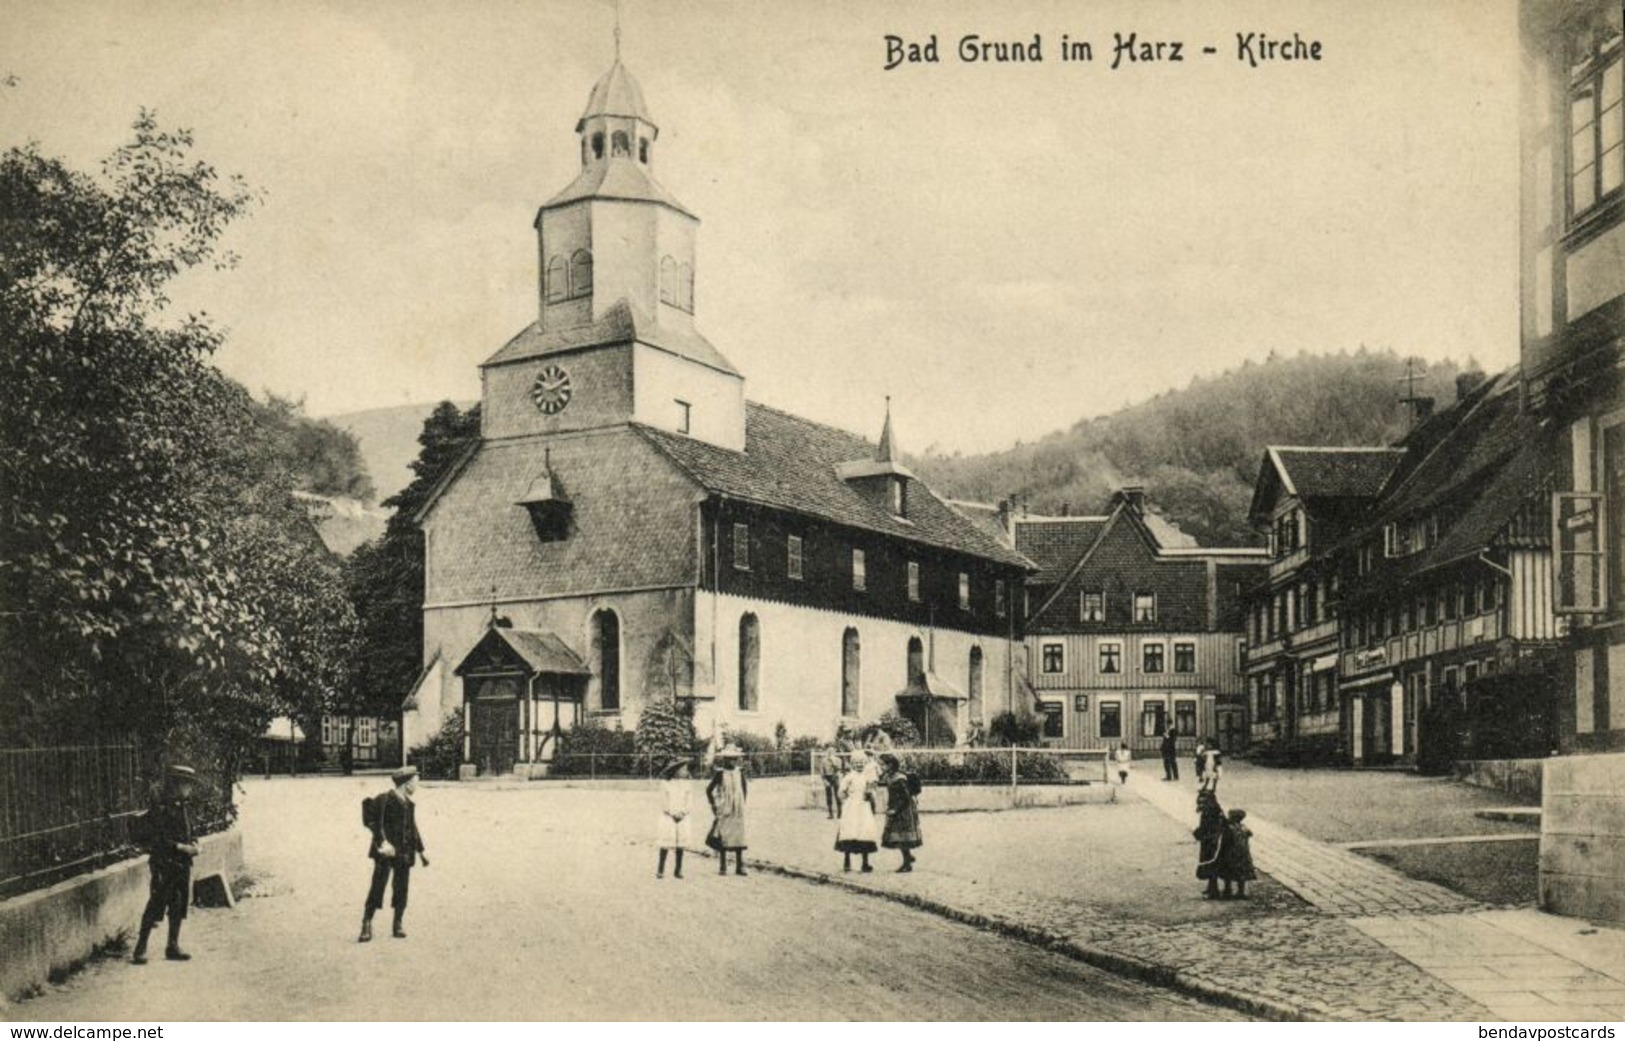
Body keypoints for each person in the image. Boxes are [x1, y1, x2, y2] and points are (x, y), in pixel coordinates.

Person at [132, 764, 201, 965]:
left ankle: (173, 945)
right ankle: (140, 947)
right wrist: (182, 847)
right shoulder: (161, 807)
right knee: (156, 902)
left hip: (182, 862)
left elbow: (190, 830)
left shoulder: (184, 805)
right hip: (164, 862)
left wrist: (195, 842)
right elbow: (158, 839)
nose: (189, 788)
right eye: (186, 784)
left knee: (178, 903)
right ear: (176, 784)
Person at [359, 765, 428, 942]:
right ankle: (366, 922)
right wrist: (382, 842)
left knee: (401, 888)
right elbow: (370, 818)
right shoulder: (384, 800)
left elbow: (413, 828)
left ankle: (398, 923)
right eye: (415, 783)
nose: (416, 787)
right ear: (406, 784)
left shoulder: (408, 804)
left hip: (404, 852)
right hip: (386, 853)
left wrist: (421, 850)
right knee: (378, 886)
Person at [705, 745, 749, 876]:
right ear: (724, 760)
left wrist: (741, 803)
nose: (732, 761)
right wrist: (714, 805)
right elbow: (708, 790)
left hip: (738, 809)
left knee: (739, 836)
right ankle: (723, 866)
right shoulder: (720, 774)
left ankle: (739, 866)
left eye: (734, 759)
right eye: (729, 759)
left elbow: (744, 789)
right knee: (724, 836)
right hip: (725, 809)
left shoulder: (740, 772)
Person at [834, 749, 878, 872]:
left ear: (865, 764)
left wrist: (870, 795)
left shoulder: (867, 777)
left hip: (864, 807)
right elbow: (841, 792)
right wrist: (847, 800)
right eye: (857, 763)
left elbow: (872, 792)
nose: (859, 765)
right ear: (852, 764)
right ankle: (847, 862)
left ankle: (865, 863)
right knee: (849, 831)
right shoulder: (849, 777)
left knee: (865, 832)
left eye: (862, 763)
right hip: (852, 807)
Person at [878, 752, 922, 872]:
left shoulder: (899, 779)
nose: (881, 767)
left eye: (883, 765)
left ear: (890, 765)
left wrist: (895, 810)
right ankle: (908, 857)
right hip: (897, 808)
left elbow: (906, 797)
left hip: (903, 810)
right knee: (900, 836)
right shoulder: (889, 777)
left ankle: (907, 863)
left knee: (902, 837)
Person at [655, 759, 692, 879]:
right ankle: (661, 869)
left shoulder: (687, 785)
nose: (686, 771)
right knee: (666, 842)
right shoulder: (665, 784)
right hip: (669, 817)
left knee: (680, 843)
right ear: (676, 771)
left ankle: (678, 869)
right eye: (683, 769)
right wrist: (672, 813)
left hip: (682, 817)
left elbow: (689, 802)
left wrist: (683, 812)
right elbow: (663, 802)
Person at [1193, 790, 1227, 900]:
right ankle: (1211, 887)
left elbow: (1211, 828)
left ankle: (1214, 891)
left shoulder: (1210, 812)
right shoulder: (1213, 810)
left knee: (1211, 864)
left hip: (1211, 841)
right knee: (1208, 863)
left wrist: (1199, 833)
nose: (1200, 805)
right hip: (1208, 840)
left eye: (1202, 802)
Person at [1220, 808, 1256, 899]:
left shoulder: (1229, 828)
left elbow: (1225, 839)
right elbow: (1250, 834)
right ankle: (1241, 892)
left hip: (1231, 853)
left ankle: (1227, 890)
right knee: (1242, 873)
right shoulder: (1243, 827)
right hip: (1243, 853)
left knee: (1227, 871)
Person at [818, 744, 843, 820]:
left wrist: (833, 762)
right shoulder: (823, 761)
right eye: (829, 751)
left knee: (838, 795)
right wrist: (825, 781)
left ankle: (840, 813)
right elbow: (822, 772)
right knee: (829, 796)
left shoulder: (838, 760)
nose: (830, 753)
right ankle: (830, 813)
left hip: (835, 777)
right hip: (827, 777)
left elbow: (839, 769)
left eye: (832, 751)